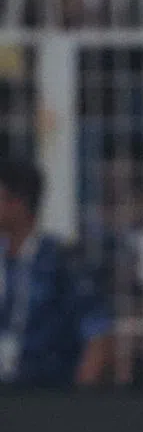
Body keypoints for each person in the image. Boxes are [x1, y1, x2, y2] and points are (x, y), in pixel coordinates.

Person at [0, 157, 112, 388]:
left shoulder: (62, 262)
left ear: (18, 203)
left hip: (47, 395)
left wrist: (76, 406)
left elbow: (97, 335)